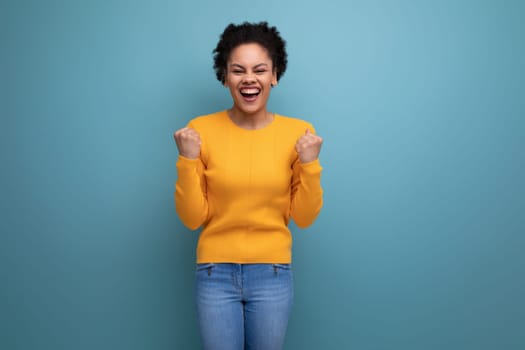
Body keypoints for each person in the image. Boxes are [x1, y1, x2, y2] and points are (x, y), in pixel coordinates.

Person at [173, 21, 323, 350]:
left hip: (272, 273)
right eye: (238, 70)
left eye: (260, 70)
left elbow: (305, 216)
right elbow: (192, 218)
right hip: (214, 274)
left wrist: (310, 165)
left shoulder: (298, 133)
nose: (249, 79)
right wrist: (187, 161)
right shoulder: (201, 130)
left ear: (274, 75)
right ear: (225, 76)